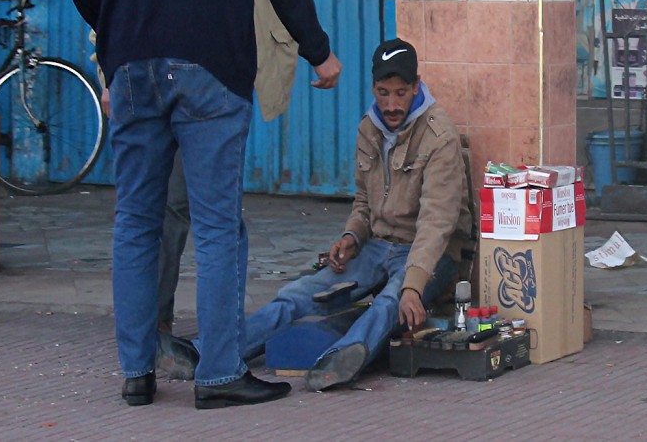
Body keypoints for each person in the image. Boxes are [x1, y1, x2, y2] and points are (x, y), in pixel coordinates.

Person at [62, 0, 342, 410]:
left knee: (136, 218)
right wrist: (319, 53)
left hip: (133, 68)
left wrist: (115, 27)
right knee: (217, 225)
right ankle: (218, 375)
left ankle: (137, 371)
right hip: (212, 72)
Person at [156, 0, 420, 369]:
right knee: (168, 207)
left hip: (226, 88)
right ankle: (161, 334)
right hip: (167, 79)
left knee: (213, 213)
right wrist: (111, 67)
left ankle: (213, 342)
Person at [172, 37, 472, 392]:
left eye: (401, 93)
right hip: (378, 246)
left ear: (417, 86)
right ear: (373, 88)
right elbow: (364, 201)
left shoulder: (440, 136)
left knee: (391, 302)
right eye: (383, 93)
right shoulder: (369, 128)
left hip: (430, 254)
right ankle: (211, 353)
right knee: (300, 293)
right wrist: (351, 237)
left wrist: (414, 287)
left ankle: (342, 359)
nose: (391, 104)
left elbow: (436, 224)